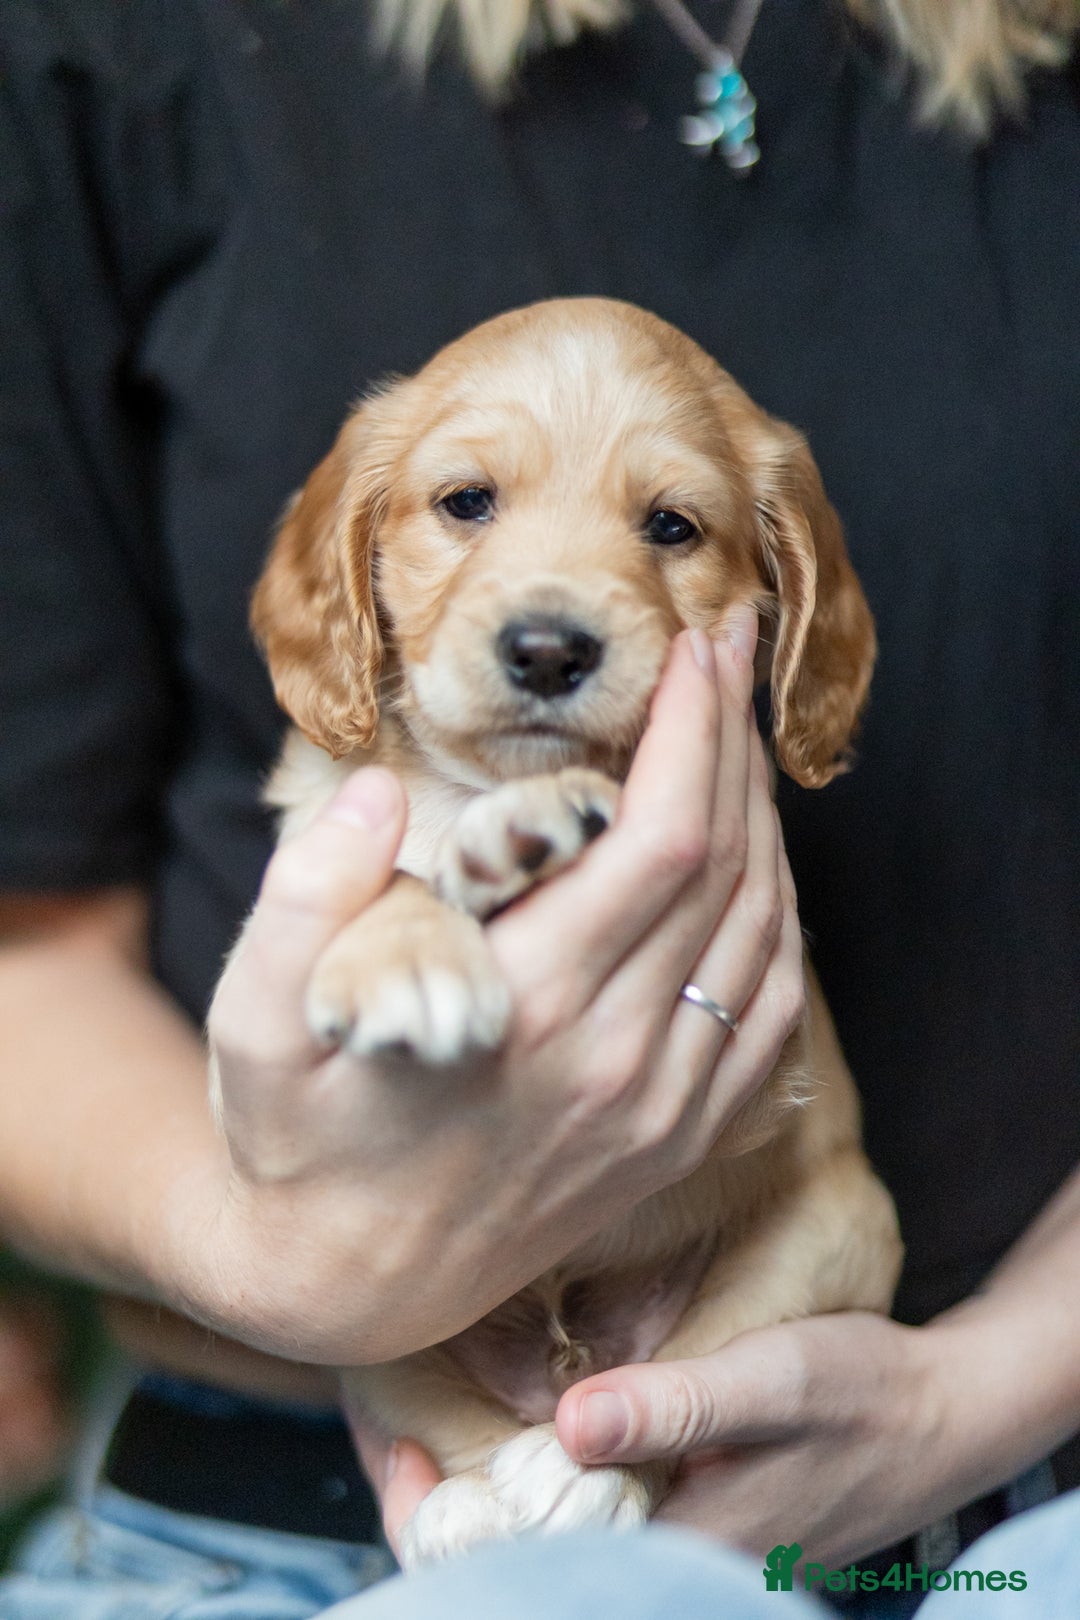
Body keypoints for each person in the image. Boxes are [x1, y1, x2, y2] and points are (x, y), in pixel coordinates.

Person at [0, 0, 1077, 1614]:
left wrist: (974, 1394)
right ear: (357, 553)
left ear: (784, 596)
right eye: (466, 503)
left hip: (972, 1500)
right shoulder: (119, 46)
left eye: (670, 526)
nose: (557, 610)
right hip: (273, 1524)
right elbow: (24, 956)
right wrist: (281, 1256)